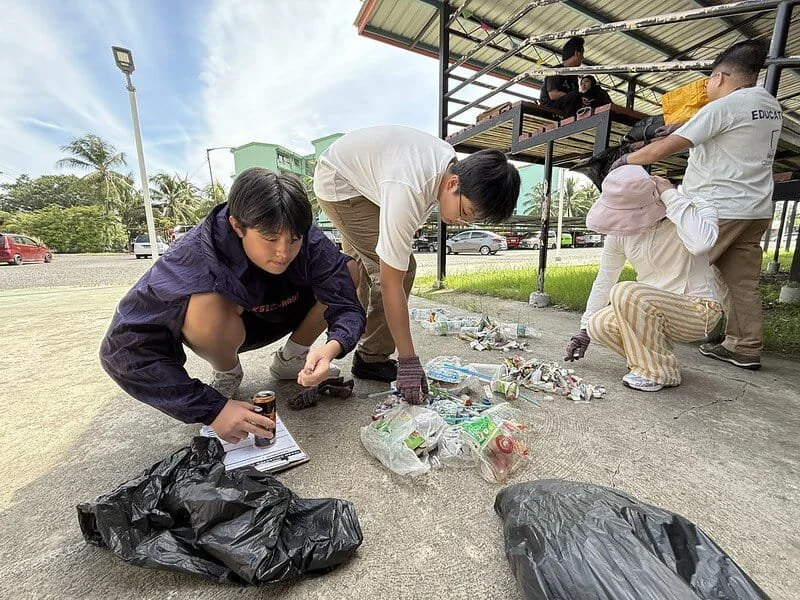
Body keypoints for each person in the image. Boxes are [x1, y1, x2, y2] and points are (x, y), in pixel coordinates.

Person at [100, 168, 366, 443]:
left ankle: (294, 357)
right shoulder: (193, 255)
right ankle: (227, 371)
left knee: (347, 271)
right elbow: (122, 349)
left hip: (288, 312)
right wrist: (213, 409)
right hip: (230, 328)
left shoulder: (305, 235)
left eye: (294, 239)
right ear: (237, 226)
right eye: (271, 239)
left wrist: (331, 347)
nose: (283, 252)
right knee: (204, 300)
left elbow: (345, 304)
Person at [314, 125, 520, 403]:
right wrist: (409, 359)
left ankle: (354, 345)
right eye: (466, 213)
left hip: (364, 178)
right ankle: (370, 357)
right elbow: (391, 283)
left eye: (472, 221)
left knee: (361, 272)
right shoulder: (408, 187)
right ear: (453, 184)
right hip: (340, 183)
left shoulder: (447, 165)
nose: (462, 222)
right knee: (395, 271)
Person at [612, 40, 781, 370]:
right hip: (756, 209)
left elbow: (666, 148)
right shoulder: (768, 104)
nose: (707, 87)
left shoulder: (724, 106)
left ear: (719, 77)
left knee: (673, 272)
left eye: (708, 81)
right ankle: (744, 346)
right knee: (742, 283)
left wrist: (626, 161)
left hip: (717, 210)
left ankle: (652, 340)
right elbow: (729, 136)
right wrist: (681, 127)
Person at [564, 165, 722, 392]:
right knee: (598, 324)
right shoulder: (621, 232)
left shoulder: (692, 210)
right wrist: (583, 330)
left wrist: (669, 194)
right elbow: (605, 278)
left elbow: (701, 243)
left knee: (625, 291)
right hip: (650, 312)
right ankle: (658, 362)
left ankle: (658, 372)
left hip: (698, 310)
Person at [539, 36, 585, 116]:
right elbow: (553, 95)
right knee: (577, 95)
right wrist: (575, 97)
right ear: (576, 53)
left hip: (565, 108)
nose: (583, 58)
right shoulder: (556, 70)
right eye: (582, 54)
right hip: (549, 108)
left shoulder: (573, 76)